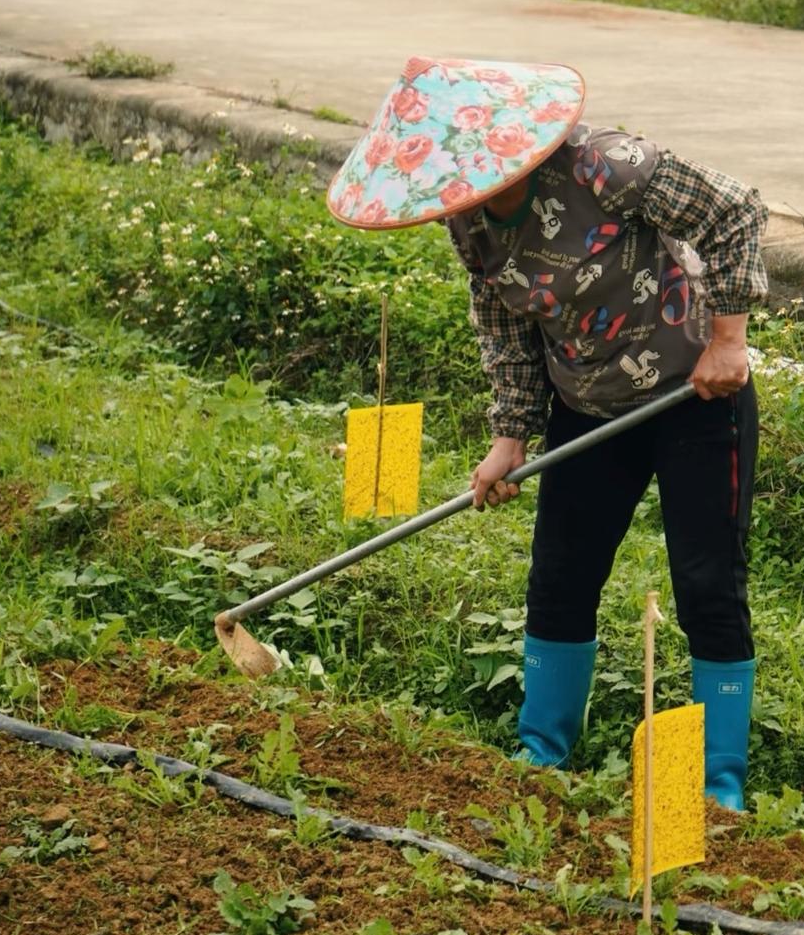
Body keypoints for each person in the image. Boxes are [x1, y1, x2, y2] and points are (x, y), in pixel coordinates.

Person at [327, 57, 767, 810]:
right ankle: (541, 755)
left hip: (693, 396)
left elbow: (734, 211)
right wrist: (513, 433)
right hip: (587, 408)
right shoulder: (468, 225)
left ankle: (713, 788)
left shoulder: (608, 167)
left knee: (705, 586)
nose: (456, 195)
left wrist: (728, 340)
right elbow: (504, 325)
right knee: (560, 576)